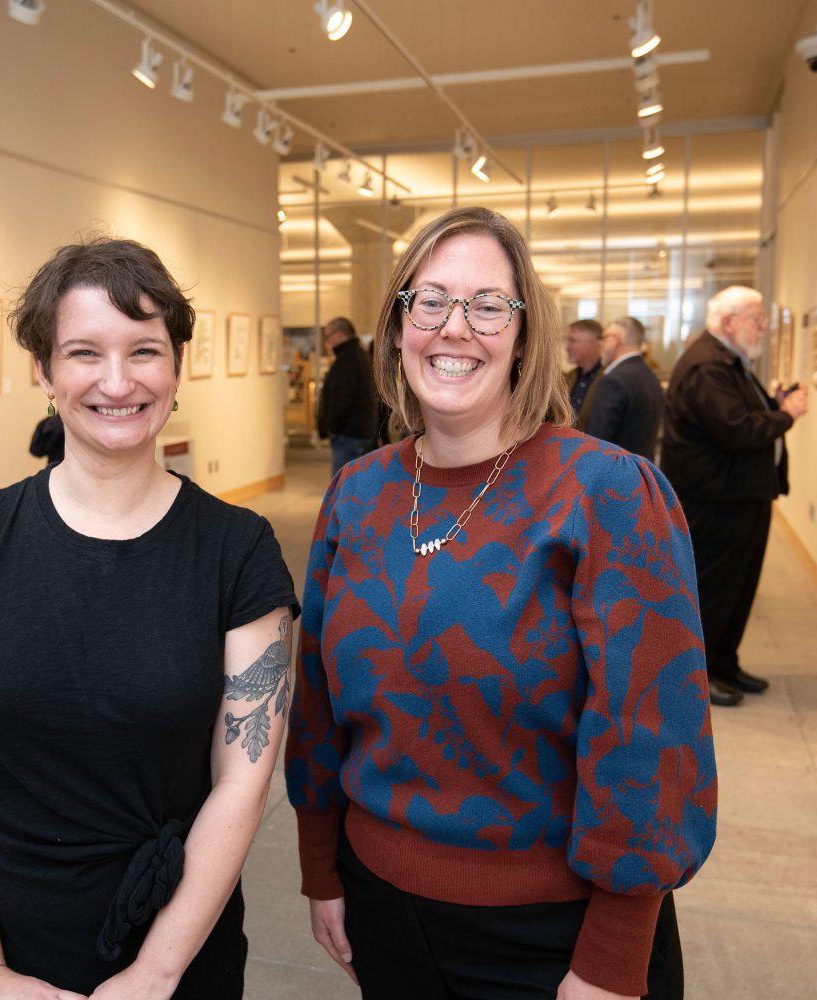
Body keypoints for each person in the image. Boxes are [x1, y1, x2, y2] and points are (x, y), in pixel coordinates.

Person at [287, 207, 717, 1000]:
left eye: (488, 305)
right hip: (382, 908)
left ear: (525, 335)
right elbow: (316, 696)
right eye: (431, 301)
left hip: (554, 936)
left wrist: (615, 954)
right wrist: (321, 866)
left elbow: (651, 736)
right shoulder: (360, 491)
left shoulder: (605, 492)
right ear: (398, 325)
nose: (455, 329)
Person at [0, 237, 299, 1000]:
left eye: (144, 351)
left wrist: (154, 975)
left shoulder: (237, 551)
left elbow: (241, 786)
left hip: (174, 947)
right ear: (44, 372)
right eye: (85, 352)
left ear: (177, 369)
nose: (117, 381)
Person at [660, 286, 809, 708]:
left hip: (739, 495)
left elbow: (738, 417)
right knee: (713, 592)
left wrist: (773, 405)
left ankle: (725, 664)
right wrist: (786, 415)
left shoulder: (730, 363)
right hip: (716, 499)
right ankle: (699, 677)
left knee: (738, 589)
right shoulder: (709, 366)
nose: (763, 326)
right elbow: (735, 429)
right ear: (728, 322)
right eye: (756, 319)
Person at [584, 316, 665, 460]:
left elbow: (596, 443)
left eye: (603, 339)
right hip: (642, 472)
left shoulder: (612, 382)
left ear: (614, 340)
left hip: (614, 476)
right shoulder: (651, 377)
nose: (601, 346)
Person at [316, 316, 381, 472]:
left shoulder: (348, 360)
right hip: (359, 433)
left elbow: (342, 400)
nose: (327, 342)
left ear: (339, 335)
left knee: (345, 491)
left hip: (350, 437)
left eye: (328, 336)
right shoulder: (358, 355)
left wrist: (331, 428)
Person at [563, 318, 605, 429]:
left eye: (572, 341)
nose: (567, 347)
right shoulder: (569, 377)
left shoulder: (609, 380)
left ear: (593, 343)